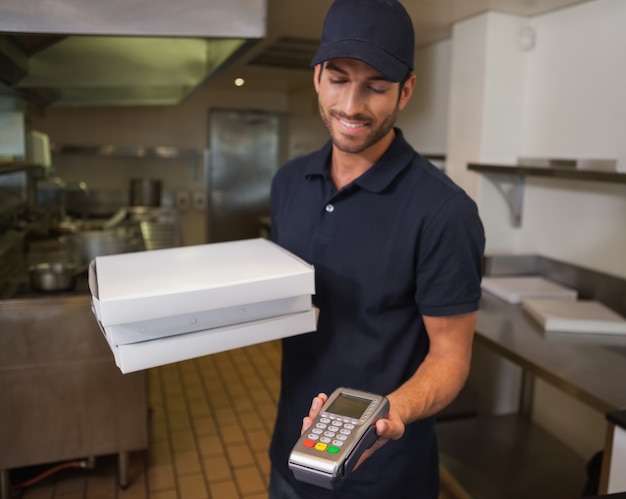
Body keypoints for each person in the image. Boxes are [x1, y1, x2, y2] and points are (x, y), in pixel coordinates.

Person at [268, 0, 485, 497]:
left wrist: (389, 415)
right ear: (317, 75)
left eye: (376, 87)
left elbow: (451, 357)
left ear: (405, 90)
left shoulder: (443, 212)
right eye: (339, 79)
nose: (350, 105)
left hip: (384, 473)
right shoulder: (288, 183)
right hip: (291, 454)